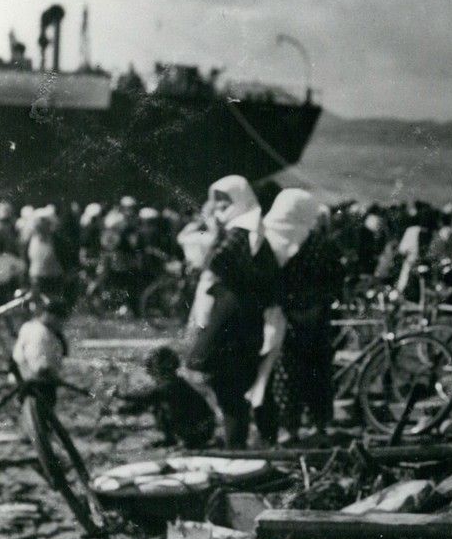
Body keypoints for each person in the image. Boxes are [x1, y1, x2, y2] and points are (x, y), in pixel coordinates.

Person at [186, 175, 279, 447]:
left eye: (225, 201)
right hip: (243, 315)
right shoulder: (252, 230)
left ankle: (235, 446)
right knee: (234, 383)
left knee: (227, 384)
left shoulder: (240, 231)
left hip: (233, 317)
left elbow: (215, 262)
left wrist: (214, 234)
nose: (219, 207)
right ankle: (241, 442)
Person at [261, 189, 343, 442]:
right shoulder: (320, 243)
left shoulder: (271, 237)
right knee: (317, 371)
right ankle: (318, 425)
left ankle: (291, 427)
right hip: (316, 318)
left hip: (287, 318)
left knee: (288, 373)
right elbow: (335, 280)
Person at [115, 345, 216, 449]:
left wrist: (122, 395)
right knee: (160, 407)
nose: (150, 374)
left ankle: (184, 442)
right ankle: (171, 440)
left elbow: (147, 397)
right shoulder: (174, 383)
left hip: (198, 430)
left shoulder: (171, 384)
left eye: (151, 370)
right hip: (201, 428)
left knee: (163, 408)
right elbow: (145, 403)